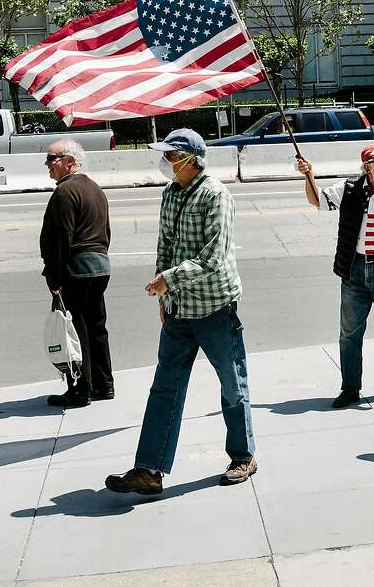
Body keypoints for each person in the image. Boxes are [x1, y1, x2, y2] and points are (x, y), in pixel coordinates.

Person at [105, 129, 257, 495]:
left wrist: (169, 280)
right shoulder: (171, 194)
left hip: (214, 308)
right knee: (165, 388)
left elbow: (213, 257)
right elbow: (165, 247)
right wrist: (164, 295)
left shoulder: (215, 194)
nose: (168, 162)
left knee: (232, 385)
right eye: (167, 156)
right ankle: (149, 469)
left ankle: (243, 456)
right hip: (178, 310)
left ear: (192, 159)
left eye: (173, 156)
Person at [297, 143, 374, 408]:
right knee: (349, 334)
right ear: (367, 167)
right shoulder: (349, 190)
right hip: (355, 271)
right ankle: (350, 387)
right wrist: (309, 175)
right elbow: (317, 201)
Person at [40, 140, 113, 408]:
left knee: (75, 330)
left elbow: (60, 239)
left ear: (69, 161)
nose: (47, 164)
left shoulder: (65, 192)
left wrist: (54, 278)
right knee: (96, 328)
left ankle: (80, 389)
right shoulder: (94, 189)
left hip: (76, 269)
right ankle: (103, 385)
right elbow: (106, 233)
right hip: (99, 267)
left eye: (52, 158)